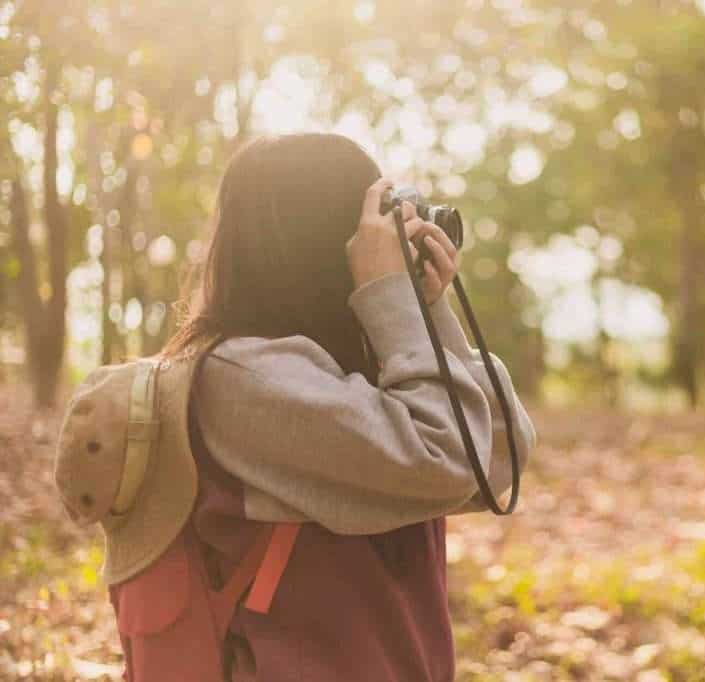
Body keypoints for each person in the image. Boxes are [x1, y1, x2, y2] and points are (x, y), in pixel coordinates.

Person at [147, 132, 535, 680]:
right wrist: (390, 300)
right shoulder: (238, 378)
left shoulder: (370, 359)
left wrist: (424, 307)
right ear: (324, 236)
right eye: (374, 218)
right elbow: (446, 461)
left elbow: (498, 458)